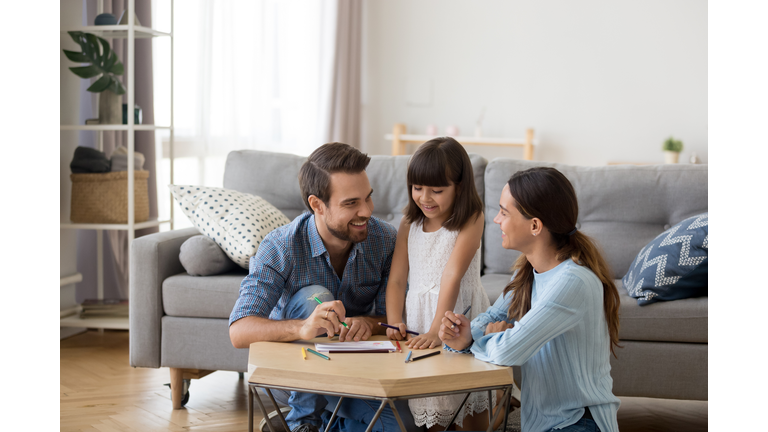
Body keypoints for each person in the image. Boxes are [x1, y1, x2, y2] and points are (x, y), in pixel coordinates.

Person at [229, 142, 418, 432]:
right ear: (317, 204)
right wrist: (301, 328)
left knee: (402, 425)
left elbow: (389, 319)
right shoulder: (280, 246)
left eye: (368, 198)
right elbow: (239, 331)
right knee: (315, 298)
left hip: (354, 371)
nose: (366, 211)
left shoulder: (384, 240)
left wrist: (366, 323)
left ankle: (330, 423)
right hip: (297, 375)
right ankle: (301, 424)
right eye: (351, 203)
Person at [439, 166, 621, 432]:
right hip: (541, 422)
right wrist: (467, 335)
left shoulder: (572, 282)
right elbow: (490, 319)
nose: (496, 220)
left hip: (578, 422)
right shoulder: (529, 273)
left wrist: (475, 339)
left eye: (504, 212)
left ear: (535, 225)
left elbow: (506, 351)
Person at [384, 137, 492, 431]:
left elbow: (452, 275)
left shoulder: (471, 217)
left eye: (437, 190)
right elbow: (396, 279)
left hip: (457, 314)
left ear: (460, 186)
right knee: (435, 402)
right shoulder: (409, 222)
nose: (425, 197)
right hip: (421, 316)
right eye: (417, 188)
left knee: (470, 397)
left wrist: (436, 329)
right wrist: (394, 322)